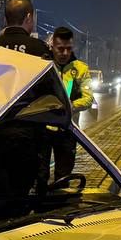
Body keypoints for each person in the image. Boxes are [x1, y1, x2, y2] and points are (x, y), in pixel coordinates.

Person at [46, 26, 93, 180]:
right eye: (60, 49)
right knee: (39, 175)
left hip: (68, 129)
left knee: (64, 176)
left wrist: (70, 107)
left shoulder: (80, 69)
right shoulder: (43, 66)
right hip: (43, 129)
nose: (65, 53)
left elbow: (88, 98)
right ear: (52, 46)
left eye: (68, 48)